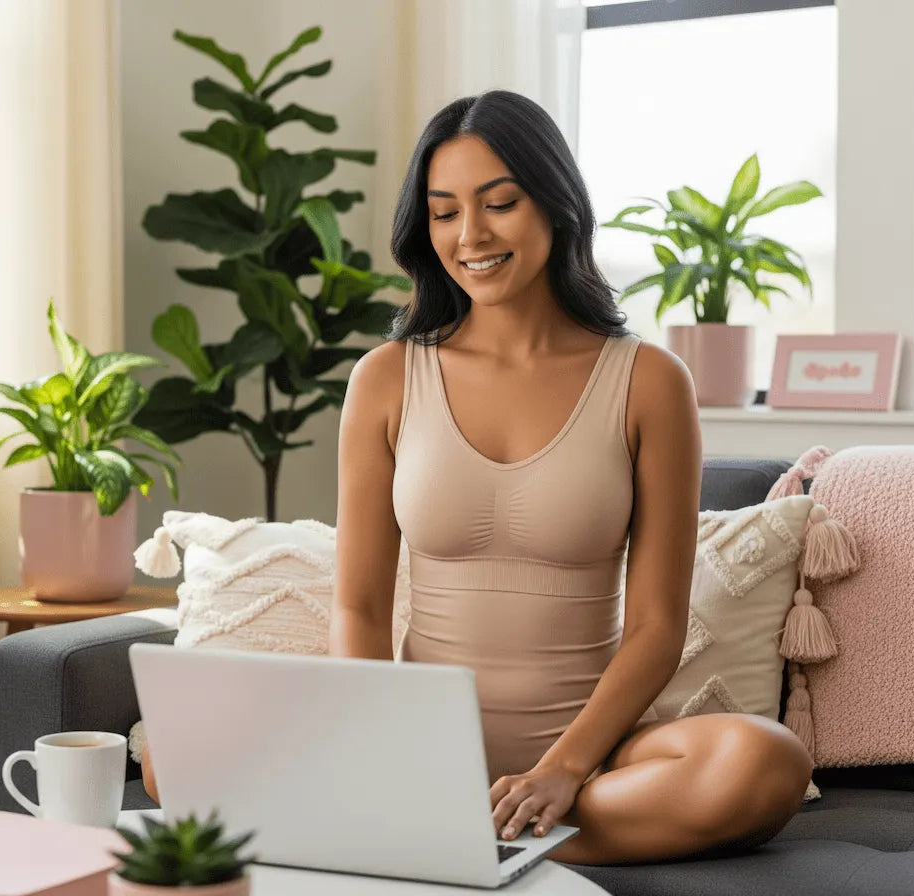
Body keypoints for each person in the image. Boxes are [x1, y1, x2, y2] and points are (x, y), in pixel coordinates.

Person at [327, 90, 811, 866]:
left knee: (765, 762)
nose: (471, 235)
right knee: (176, 754)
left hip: (590, 769)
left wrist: (563, 769)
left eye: (500, 203)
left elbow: (656, 626)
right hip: (419, 757)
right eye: (444, 211)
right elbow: (357, 604)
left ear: (555, 204)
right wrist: (382, 746)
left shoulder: (650, 381)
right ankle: (473, 829)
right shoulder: (386, 379)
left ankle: (470, 837)